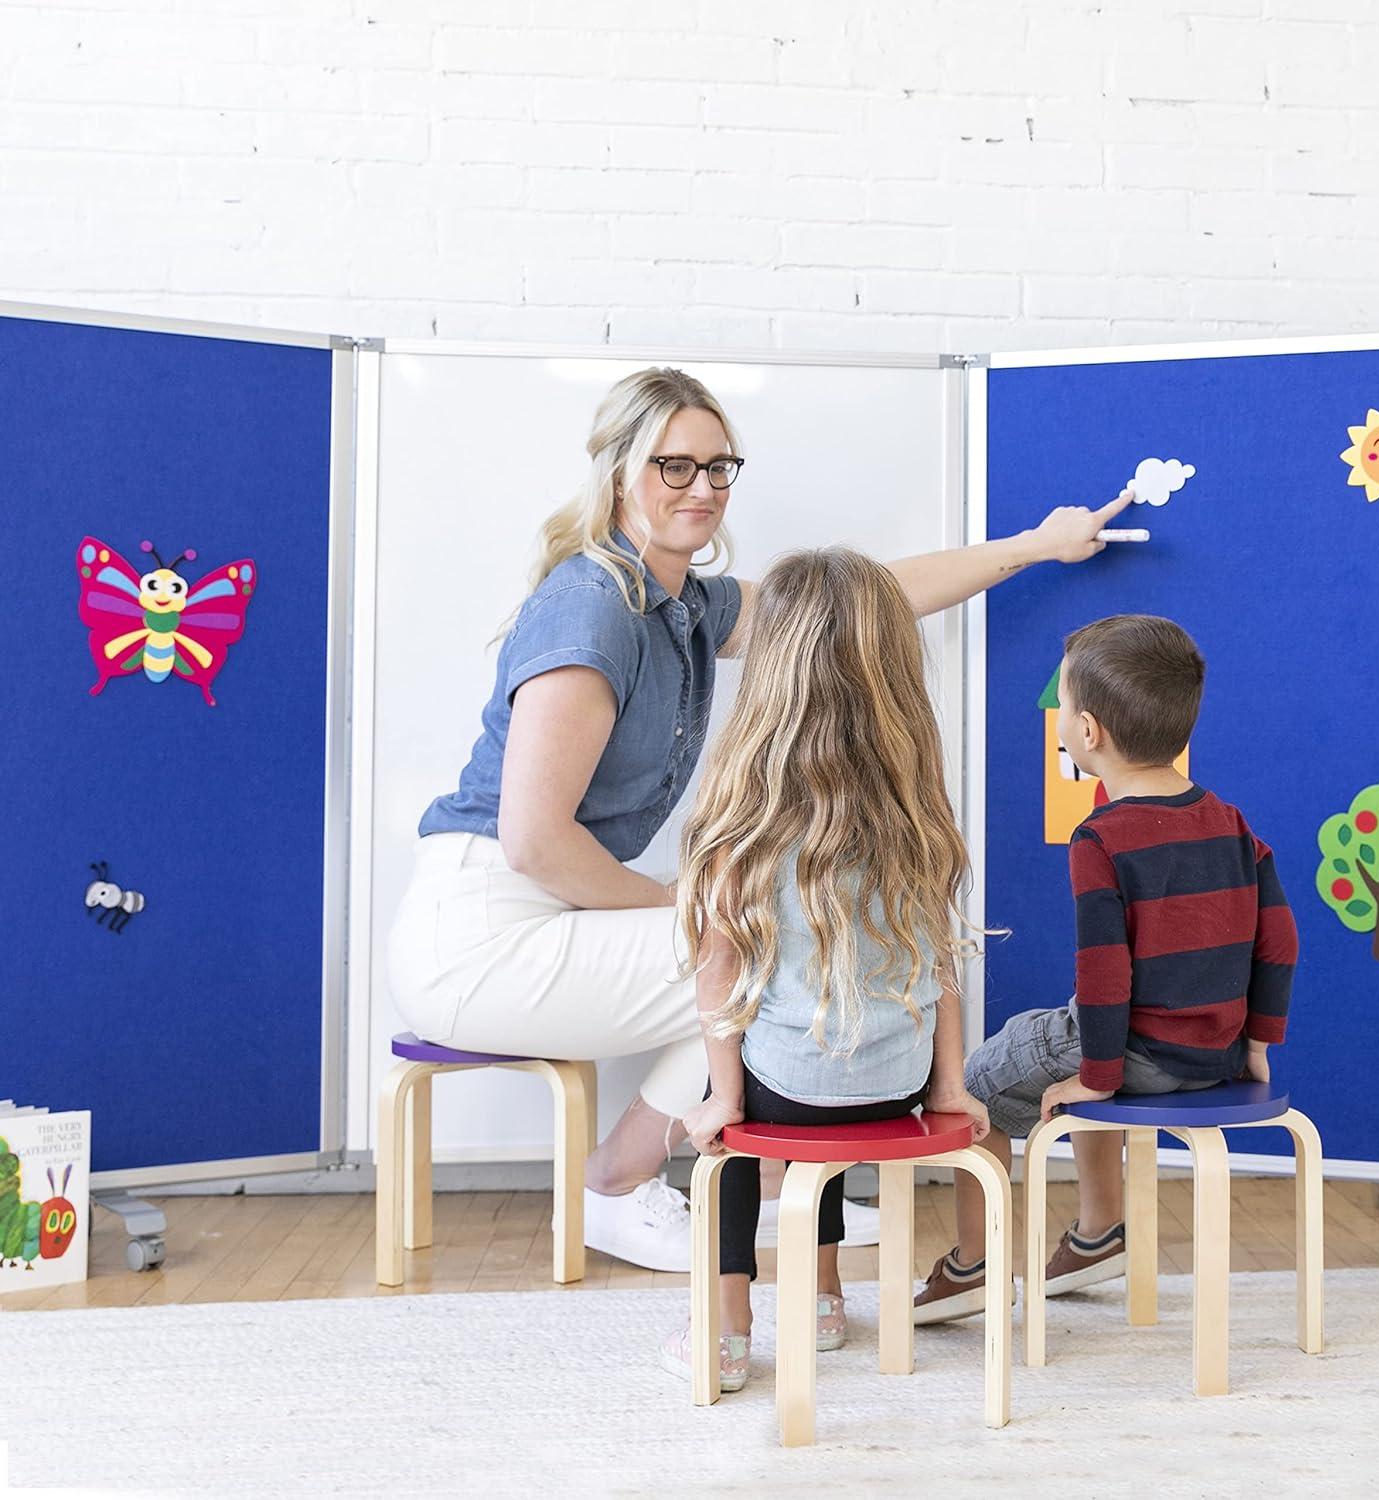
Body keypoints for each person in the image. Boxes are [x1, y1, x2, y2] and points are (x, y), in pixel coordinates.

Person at [386, 365, 1131, 1272]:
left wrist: (1037, 546)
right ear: (620, 472)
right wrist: (684, 903)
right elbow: (535, 842)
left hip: (540, 916)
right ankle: (635, 1183)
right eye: (674, 466)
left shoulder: (683, 605)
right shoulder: (594, 607)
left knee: (761, 933)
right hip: (479, 934)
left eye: (718, 466)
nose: (702, 488)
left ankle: (767, 1180)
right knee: (758, 941)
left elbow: (865, 596)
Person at [659, 548, 992, 1389]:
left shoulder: (747, 821)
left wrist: (726, 1102)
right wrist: (949, 1088)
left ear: (774, 673)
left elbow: (721, 983)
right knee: (832, 1062)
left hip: (792, 1085)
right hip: (901, 1081)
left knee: (737, 1132)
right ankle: (825, 1300)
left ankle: (728, 1327)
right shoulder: (917, 812)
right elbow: (941, 965)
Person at [915, 614, 1298, 1321]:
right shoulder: (1234, 823)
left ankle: (973, 1264)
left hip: (1138, 1050)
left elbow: (1104, 974)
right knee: (1076, 1042)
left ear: (1088, 733)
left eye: (1062, 707)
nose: (1058, 720)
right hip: (1212, 1054)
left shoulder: (1101, 838)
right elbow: (1278, 941)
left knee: (973, 1087)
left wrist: (1095, 1076)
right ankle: (1097, 1234)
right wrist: (1256, 1044)